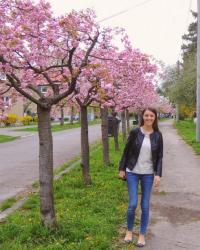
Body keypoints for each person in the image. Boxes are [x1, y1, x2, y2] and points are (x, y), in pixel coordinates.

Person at [118, 107, 163, 247]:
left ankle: (142, 235)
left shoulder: (158, 135)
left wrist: (158, 174)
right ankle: (129, 231)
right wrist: (121, 168)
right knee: (132, 204)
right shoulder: (135, 132)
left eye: (151, 116)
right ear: (142, 117)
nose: (149, 118)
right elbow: (126, 151)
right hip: (132, 171)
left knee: (144, 205)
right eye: (146, 115)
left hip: (148, 174)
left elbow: (160, 156)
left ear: (155, 118)